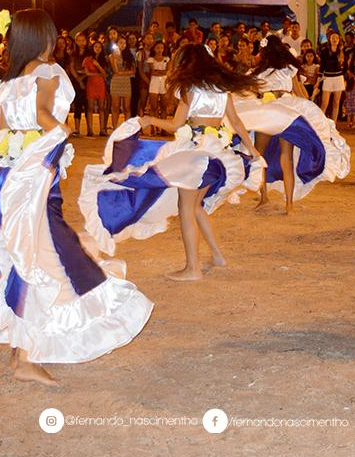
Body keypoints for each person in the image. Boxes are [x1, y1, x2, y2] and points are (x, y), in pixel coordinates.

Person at [0, 9, 152, 385]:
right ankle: (24, 356)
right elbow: (42, 116)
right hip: (33, 173)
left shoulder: (6, 81)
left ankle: (22, 347)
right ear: (43, 38)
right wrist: (64, 133)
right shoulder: (48, 72)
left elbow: (4, 129)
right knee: (38, 251)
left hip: (8, 171)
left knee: (23, 248)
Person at [80, 45, 264, 281]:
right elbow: (236, 122)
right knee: (196, 207)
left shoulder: (189, 89)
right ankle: (217, 256)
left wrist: (148, 120)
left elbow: (176, 126)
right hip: (219, 155)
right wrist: (252, 149)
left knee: (186, 209)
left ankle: (193, 269)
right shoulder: (222, 89)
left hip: (196, 153)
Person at [232, 36, 351, 213]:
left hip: (267, 112)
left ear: (265, 52)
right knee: (286, 158)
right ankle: (289, 205)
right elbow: (297, 91)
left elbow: (248, 91)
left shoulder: (257, 72)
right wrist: (309, 110)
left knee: (259, 156)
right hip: (286, 112)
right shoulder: (289, 67)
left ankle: (264, 198)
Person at [318, 31, 346, 122]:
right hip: (328, 77)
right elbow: (322, 66)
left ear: (339, 40)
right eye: (332, 38)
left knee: (336, 102)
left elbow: (345, 67)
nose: (335, 40)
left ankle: (334, 125)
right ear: (329, 39)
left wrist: (344, 78)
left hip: (338, 77)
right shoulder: (325, 51)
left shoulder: (342, 51)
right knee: (324, 102)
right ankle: (321, 123)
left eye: (336, 38)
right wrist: (318, 80)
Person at [109, 37, 135, 130]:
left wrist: (122, 73)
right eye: (120, 43)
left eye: (124, 43)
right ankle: (115, 128)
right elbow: (115, 70)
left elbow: (133, 70)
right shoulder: (112, 56)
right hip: (116, 81)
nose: (122, 45)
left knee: (127, 107)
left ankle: (127, 128)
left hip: (126, 82)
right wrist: (123, 72)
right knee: (115, 106)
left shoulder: (129, 55)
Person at [83, 41, 109, 136]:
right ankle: (90, 130)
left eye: (99, 47)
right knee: (90, 107)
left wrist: (97, 65)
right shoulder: (87, 59)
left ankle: (102, 129)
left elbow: (105, 73)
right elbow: (87, 73)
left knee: (101, 108)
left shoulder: (104, 59)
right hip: (91, 84)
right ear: (92, 48)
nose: (97, 48)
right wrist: (99, 74)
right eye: (96, 47)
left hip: (100, 84)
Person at [146, 41, 170, 135]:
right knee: (153, 107)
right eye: (158, 48)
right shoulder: (151, 59)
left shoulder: (167, 59)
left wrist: (159, 72)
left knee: (164, 107)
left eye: (161, 48)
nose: (160, 50)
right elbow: (152, 72)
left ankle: (163, 128)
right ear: (154, 49)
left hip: (164, 82)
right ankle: (153, 128)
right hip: (154, 82)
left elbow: (168, 71)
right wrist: (162, 72)